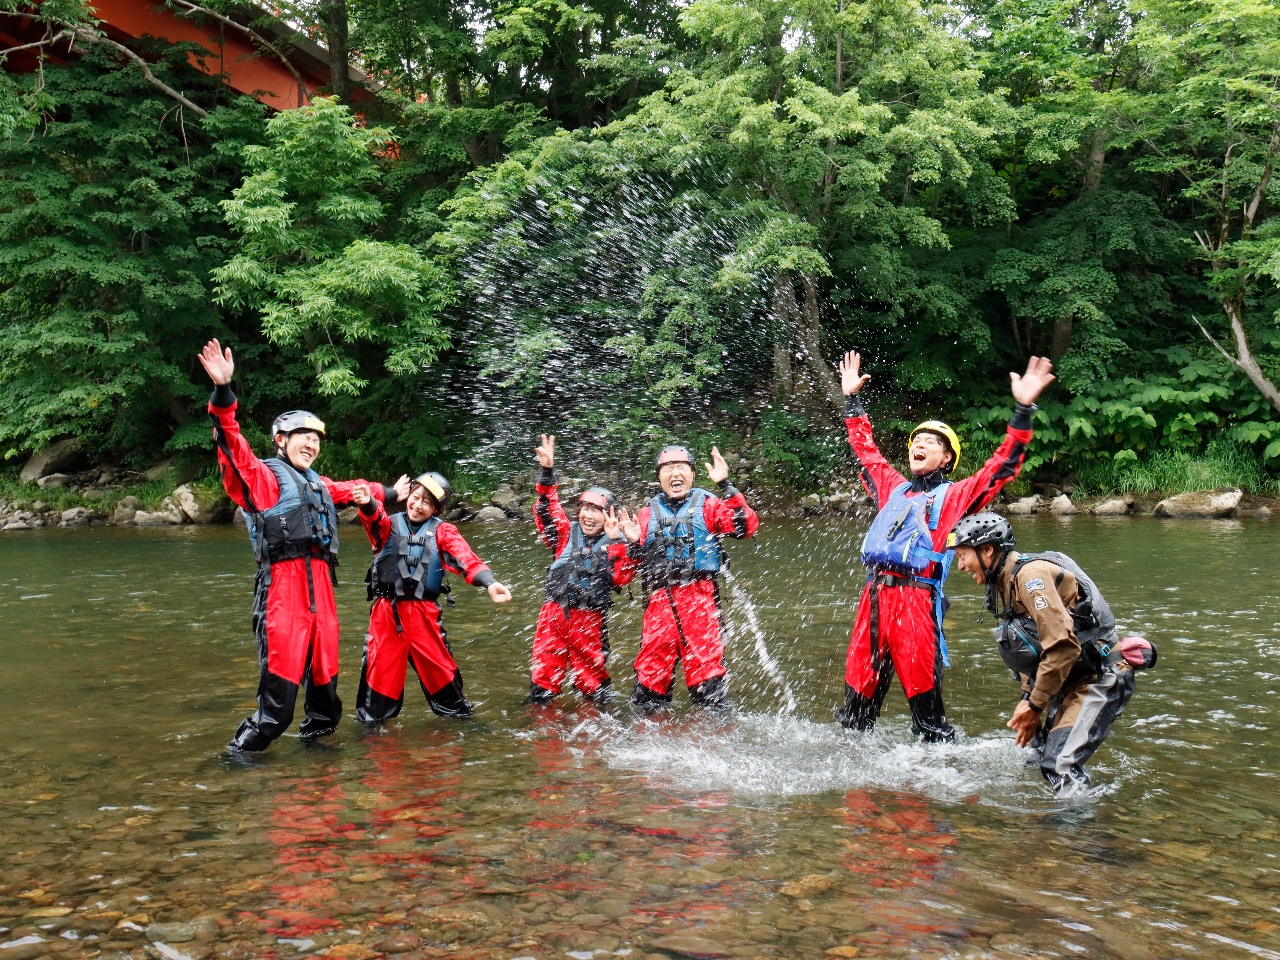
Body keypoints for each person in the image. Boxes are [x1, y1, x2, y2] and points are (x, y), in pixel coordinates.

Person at [198, 338, 409, 752]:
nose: (311, 443)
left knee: (327, 707)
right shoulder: (262, 478)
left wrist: (388, 492)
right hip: (282, 591)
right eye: (302, 436)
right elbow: (232, 446)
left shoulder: (319, 484)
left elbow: (353, 490)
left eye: (316, 438)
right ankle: (235, 765)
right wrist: (224, 393)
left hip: (322, 595)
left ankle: (315, 777)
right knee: (277, 713)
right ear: (281, 440)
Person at [835, 350, 1057, 742]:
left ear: (946, 457)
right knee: (855, 714)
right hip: (872, 600)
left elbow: (1001, 467)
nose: (918, 445)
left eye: (929, 442)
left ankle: (934, 778)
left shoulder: (955, 496)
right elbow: (866, 452)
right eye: (915, 440)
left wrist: (1023, 410)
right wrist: (852, 401)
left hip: (916, 601)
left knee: (928, 722)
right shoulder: (892, 488)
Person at [951, 513, 1154, 795]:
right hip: (1069, 681)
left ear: (987, 550)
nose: (960, 566)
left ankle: (1076, 834)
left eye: (962, 556)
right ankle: (1043, 830)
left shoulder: (1030, 578)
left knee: (1059, 765)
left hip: (1100, 677)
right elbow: (1033, 648)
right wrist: (1028, 698)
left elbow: (1062, 645)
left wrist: (1035, 706)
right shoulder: (1004, 581)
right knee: (1039, 756)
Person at [351, 472, 512, 722]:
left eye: (427, 502)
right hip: (386, 617)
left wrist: (489, 582)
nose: (418, 505)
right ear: (408, 496)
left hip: (423, 617)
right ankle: (373, 739)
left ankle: (461, 727)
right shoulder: (388, 526)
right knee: (377, 682)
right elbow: (373, 516)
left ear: (436, 509)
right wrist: (368, 501)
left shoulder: (443, 532)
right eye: (415, 497)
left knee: (444, 677)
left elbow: (465, 558)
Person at [614, 444, 759, 708]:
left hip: (701, 600)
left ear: (692, 474)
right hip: (660, 604)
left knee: (709, 687)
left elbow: (745, 526)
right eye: (668, 469)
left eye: (681, 468)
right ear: (659, 478)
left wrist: (726, 485)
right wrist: (631, 542)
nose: (675, 474)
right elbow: (623, 575)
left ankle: (711, 738)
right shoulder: (647, 514)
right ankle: (649, 738)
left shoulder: (709, 505)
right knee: (649, 685)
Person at [529, 434, 629, 704]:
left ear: (609, 515)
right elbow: (547, 510)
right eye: (583, 508)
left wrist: (619, 540)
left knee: (591, 682)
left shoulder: (616, 543)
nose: (587, 514)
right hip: (554, 614)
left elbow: (621, 576)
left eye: (596, 510)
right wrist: (547, 473)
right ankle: (542, 725)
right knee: (544, 677)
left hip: (590, 618)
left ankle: (593, 729)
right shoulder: (564, 533)